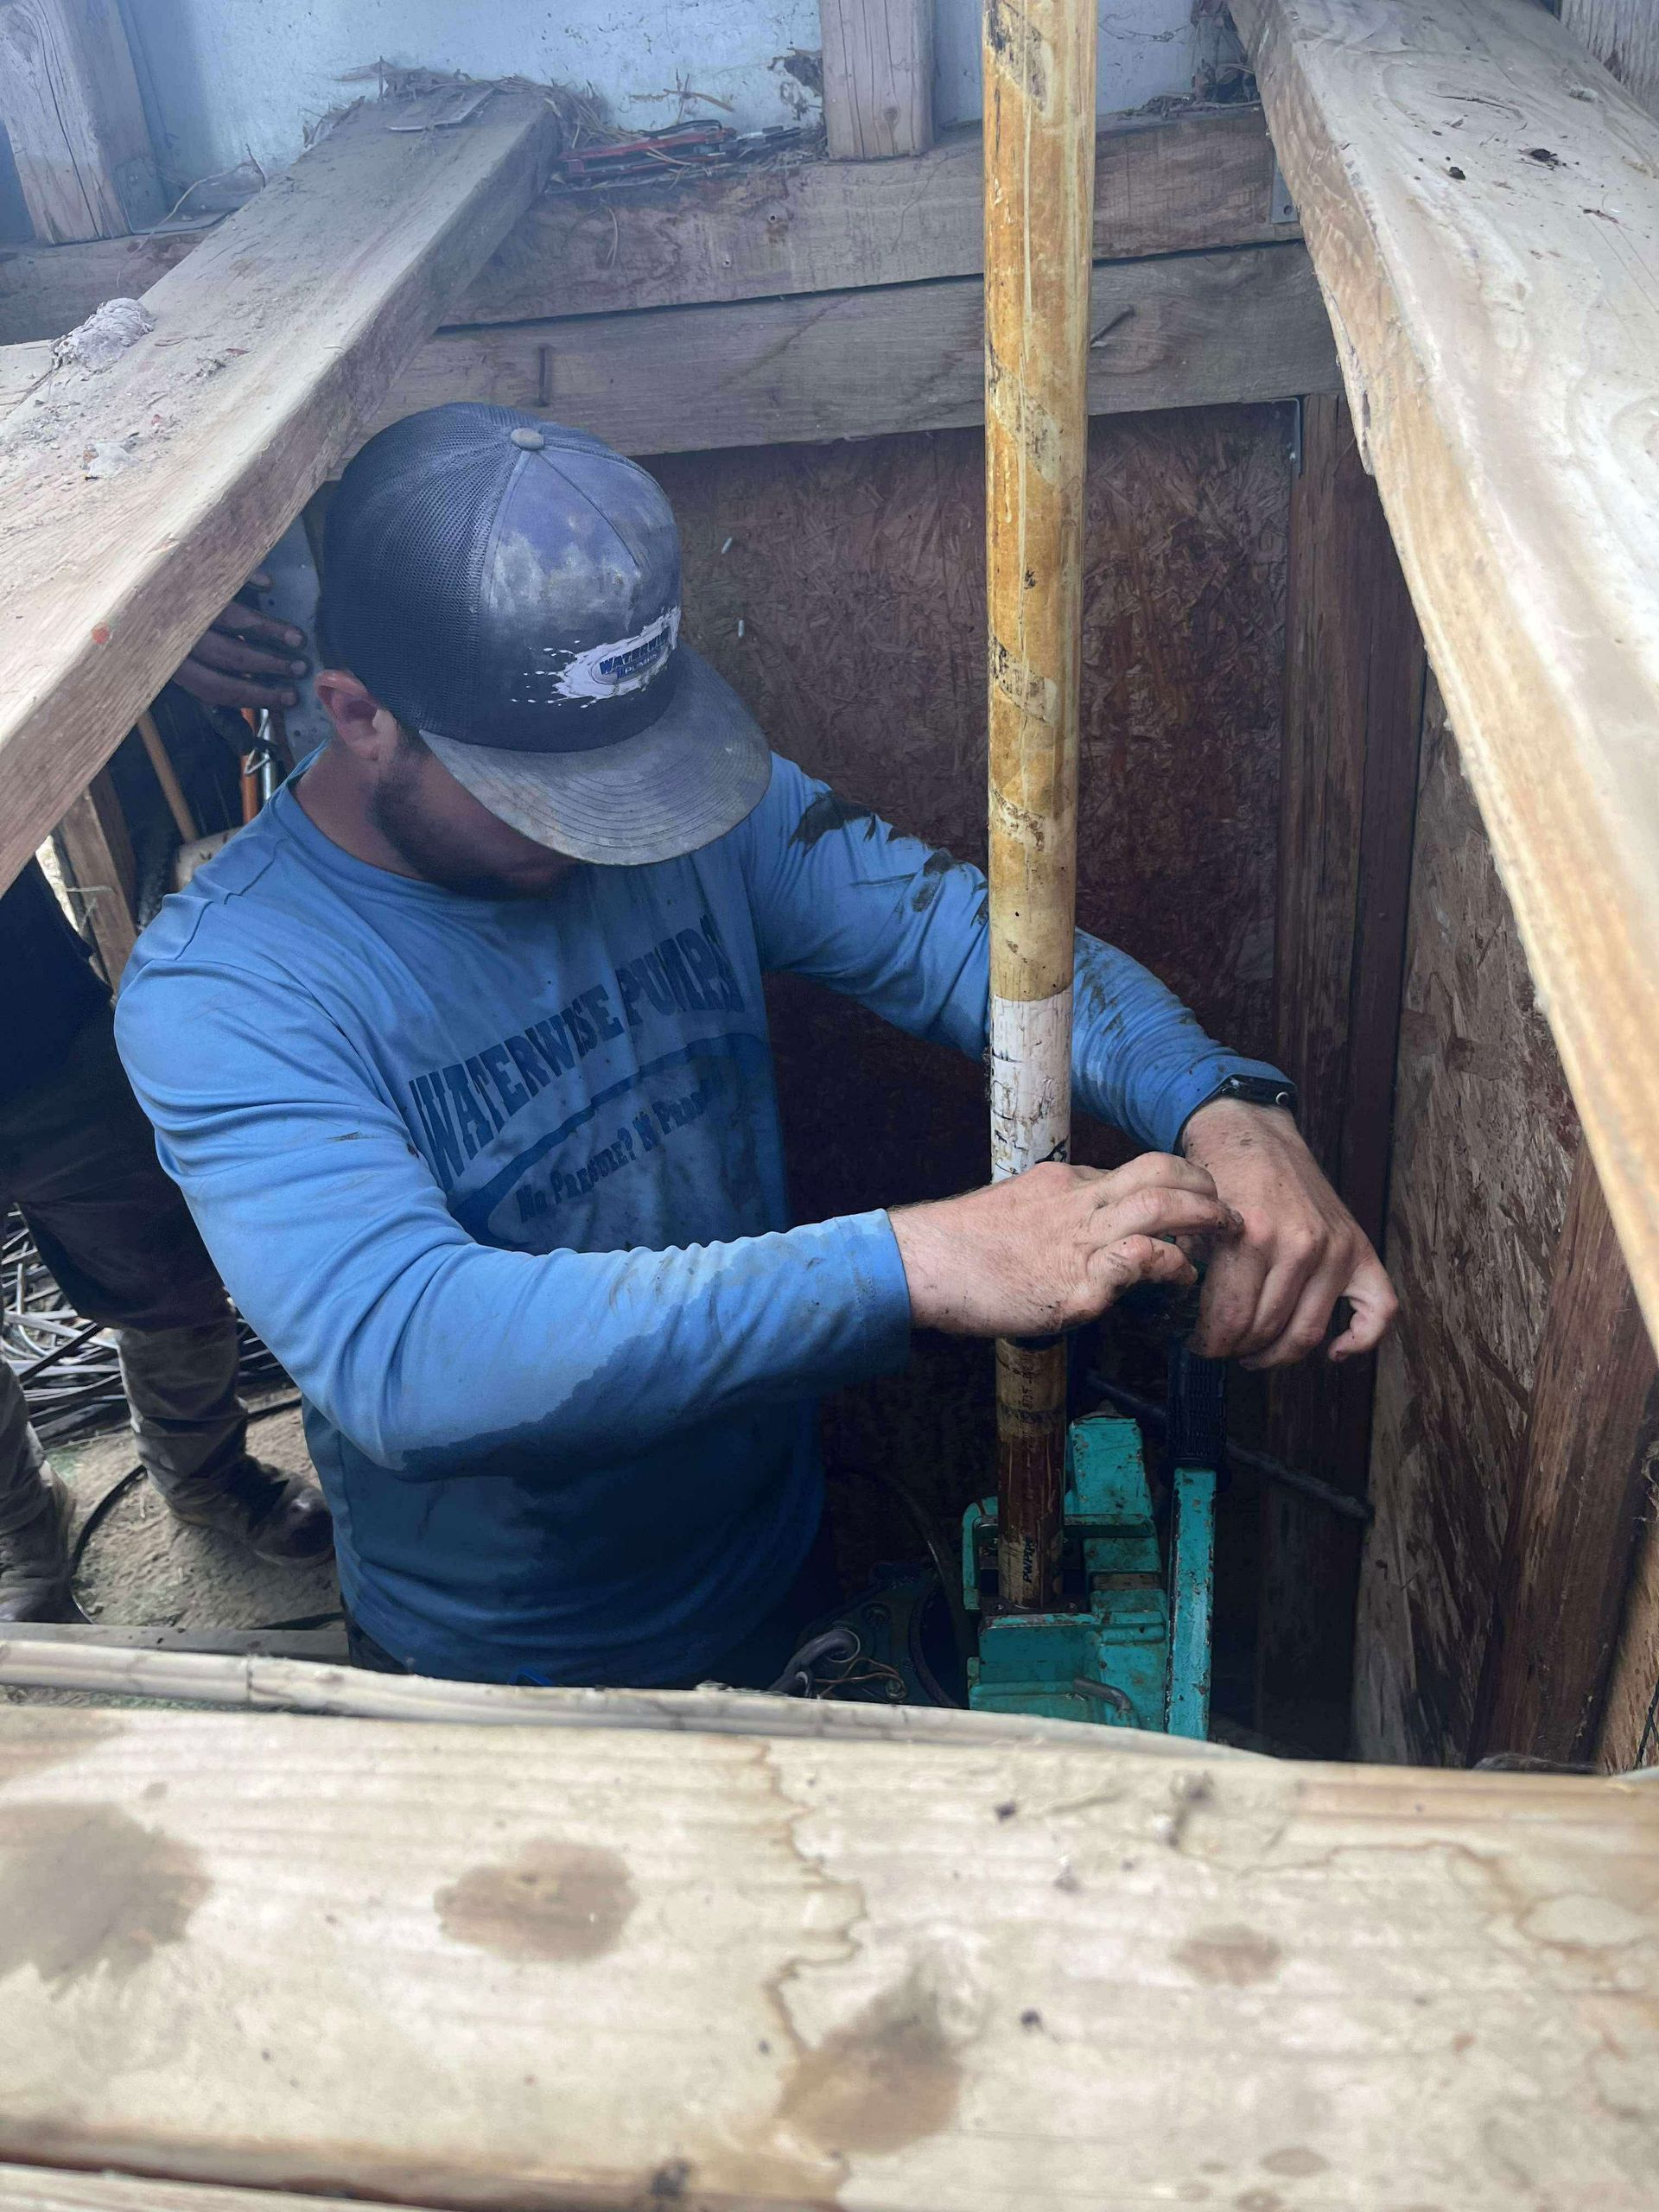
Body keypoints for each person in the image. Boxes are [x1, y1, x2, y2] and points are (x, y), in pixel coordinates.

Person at [116, 403, 1396, 1688]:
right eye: (545, 801)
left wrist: (1223, 1106)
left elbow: (972, 942)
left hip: (775, 1559)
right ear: (358, 715)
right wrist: (915, 1261)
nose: (608, 838)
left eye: (629, 782)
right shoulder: (226, 988)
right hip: (510, 1666)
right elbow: (408, 1353)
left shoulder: (686, 813)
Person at [0, 594, 334, 1622]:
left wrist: (131, 651)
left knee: (174, 1283)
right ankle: (20, 1524)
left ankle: (201, 1475)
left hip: (35, 1042)